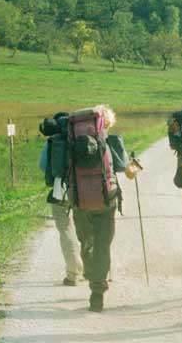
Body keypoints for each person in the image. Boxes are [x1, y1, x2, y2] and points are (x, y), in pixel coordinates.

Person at [70, 104, 129, 313]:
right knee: (103, 246)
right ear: (107, 123)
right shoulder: (111, 140)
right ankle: (97, 292)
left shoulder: (72, 141)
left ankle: (89, 273)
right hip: (107, 200)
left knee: (86, 241)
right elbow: (123, 166)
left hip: (80, 201)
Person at [38, 113, 83, 287]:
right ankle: (91, 269)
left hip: (60, 191)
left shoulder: (52, 141)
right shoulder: (83, 138)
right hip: (84, 189)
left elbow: (43, 166)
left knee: (66, 230)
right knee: (87, 228)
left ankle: (72, 274)